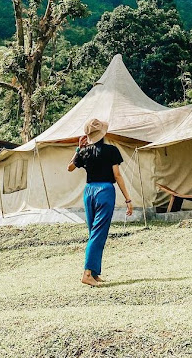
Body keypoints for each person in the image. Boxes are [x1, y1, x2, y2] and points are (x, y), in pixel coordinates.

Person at [67, 118, 133, 287]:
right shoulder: (111, 151)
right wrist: (128, 199)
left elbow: (70, 168)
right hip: (104, 191)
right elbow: (117, 176)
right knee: (98, 233)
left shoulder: (84, 152)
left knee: (94, 232)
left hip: (88, 191)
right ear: (103, 133)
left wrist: (78, 149)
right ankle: (87, 273)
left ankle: (94, 273)